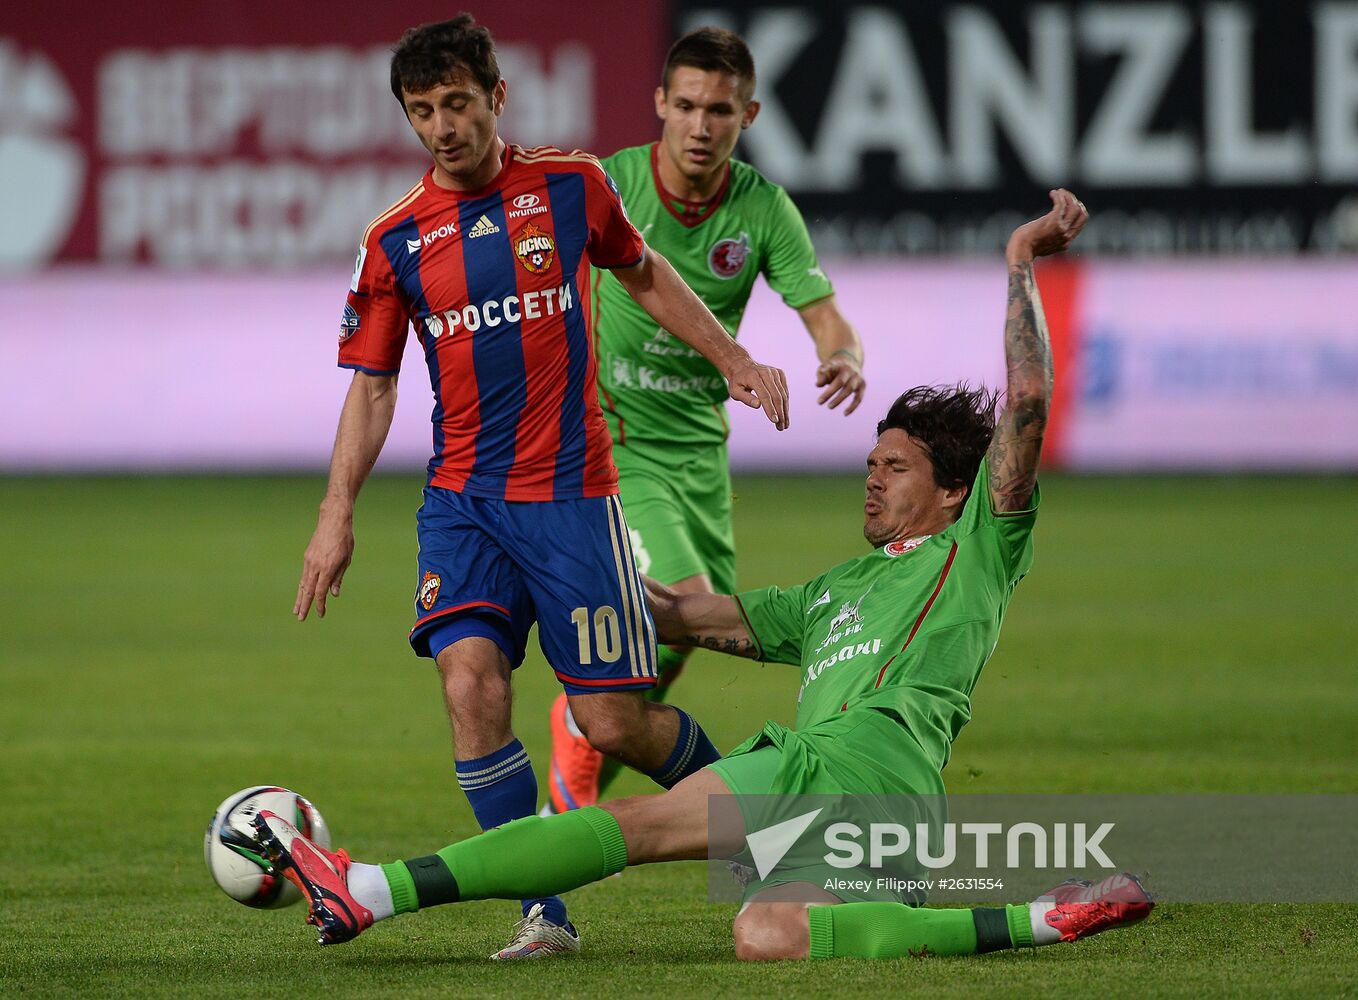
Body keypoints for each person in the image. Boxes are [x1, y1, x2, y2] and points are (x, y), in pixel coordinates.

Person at [259, 190, 1151, 962]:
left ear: (954, 490)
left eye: (896, 466)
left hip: (863, 772)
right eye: (870, 463)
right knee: (766, 934)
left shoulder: (980, 546)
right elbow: (679, 615)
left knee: (637, 829)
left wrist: (1020, 259)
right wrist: (554, 570)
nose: (873, 479)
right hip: (849, 791)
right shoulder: (829, 593)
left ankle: (372, 887)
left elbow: (1029, 402)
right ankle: (1046, 918)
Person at [292, 15, 791, 960]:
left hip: (573, 502)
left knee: (613, 722)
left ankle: (773, 831)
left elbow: (644, 273)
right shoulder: (394, 239)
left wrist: (731, 356)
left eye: (457, 104)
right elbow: (374, 386)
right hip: (463, 505)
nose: (442, 127)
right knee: (469, 682)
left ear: (498, 97)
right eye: (421, 111)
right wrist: (335, 513)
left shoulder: (572, 186)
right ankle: (545, 914)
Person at [545, 27, 866, 815]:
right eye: (686, 105)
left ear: (747, 115)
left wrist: (842, 357)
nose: (700, 125)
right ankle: (584, 736)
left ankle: (572, 780)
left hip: (699, 454)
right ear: (659, 103)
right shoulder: (612, 183)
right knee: (684, 604)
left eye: (719, 110)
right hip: (614, 441)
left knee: (689, 630)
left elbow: (824, 313)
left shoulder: (763, 208)